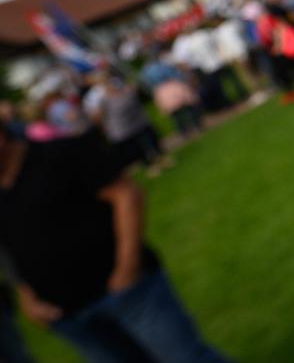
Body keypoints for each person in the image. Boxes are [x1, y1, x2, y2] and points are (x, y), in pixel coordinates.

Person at [0, 125, 231, 361]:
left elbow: (126, 195)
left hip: (128, 292)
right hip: (67, 315)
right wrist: (26, 296)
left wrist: (127, 269)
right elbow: (8, 249)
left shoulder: (61, 153)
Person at [83, 73, 164, 173]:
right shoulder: (93, 95)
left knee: (148, 137)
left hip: (135, 116)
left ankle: (161, 158)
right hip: (119, 124)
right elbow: (95, 114)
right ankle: (150, 165)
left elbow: (129, 89)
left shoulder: (115, 81)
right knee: (135, 147)